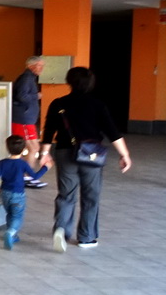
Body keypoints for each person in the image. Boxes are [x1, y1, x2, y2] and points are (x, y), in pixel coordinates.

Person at [40, 67, 132, 252]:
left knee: (66, 195)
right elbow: (112, 132)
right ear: (90, 83)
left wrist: (44, 154)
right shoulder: (97, 105)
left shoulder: (58, 103)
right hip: (92, 155)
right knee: (91, 196)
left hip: (65, 152)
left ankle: (61, 230)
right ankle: (87, 237)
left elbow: (49, 131)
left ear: (69, 82)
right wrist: (125, 155)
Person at [0, 135, 50, 250]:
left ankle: (13, 236)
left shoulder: (3, 162)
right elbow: (35, 176)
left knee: (9, 214)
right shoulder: (23, 164)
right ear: (24, 150)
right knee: (17, 215)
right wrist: (45, 167)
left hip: (5, 193)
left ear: (7, 148)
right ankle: (11, 232)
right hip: (18, 194)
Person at [11, 55, 47, 189]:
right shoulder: (26, 78)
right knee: (34, 148)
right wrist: (36, 96)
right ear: (31, 66)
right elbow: (22, 96)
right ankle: (26, 177)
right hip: (23, 120)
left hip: (26, 119)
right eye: (39, 65)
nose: (42, 68)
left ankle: (25, 175)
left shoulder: (29, 77)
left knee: (32, 148)